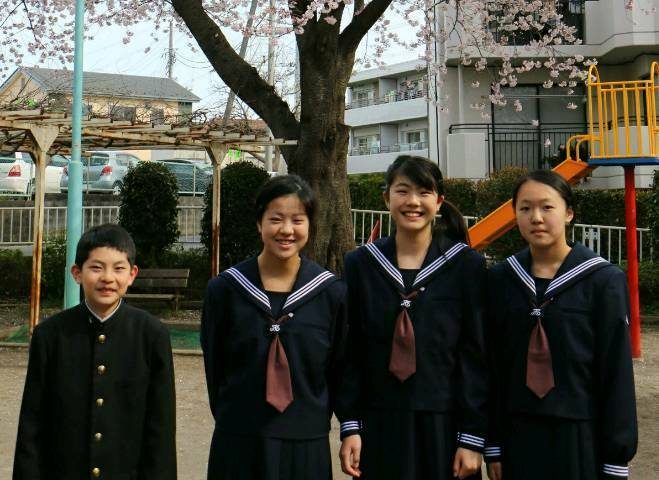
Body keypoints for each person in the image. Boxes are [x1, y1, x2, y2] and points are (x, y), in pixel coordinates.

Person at [338, 154, 488, 480]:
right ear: (386, 198)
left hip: (446, 424)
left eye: (424, 192)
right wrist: (350, 426)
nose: (413, 202)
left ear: (439, 201)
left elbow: (476, 355)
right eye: (402, 191)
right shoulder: (361, 265)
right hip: (380, 422)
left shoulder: (466, 267)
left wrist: (473, 437)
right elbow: (350, 352)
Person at [485, 169, 637, 480]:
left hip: (580, 435)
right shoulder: (501, 279)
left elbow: (616, 371)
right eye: (525, 208)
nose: (536, 218)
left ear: (568, 213)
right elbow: (492, 367)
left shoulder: (602, 280)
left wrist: (616, 457)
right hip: (518, 434)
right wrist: (493, 443)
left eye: (547, 207)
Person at [201, 173, 348, 480]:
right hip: (239, 440)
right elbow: (216, 370)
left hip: (306, 443)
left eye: (297, 220)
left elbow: (339, 371)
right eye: (276, 219)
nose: (286, 230)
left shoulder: (331, 294)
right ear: (259, 223)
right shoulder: (225, 291)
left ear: (309, 225)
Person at [13, 223, 177, 480]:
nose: (108, 278)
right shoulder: (50, 335)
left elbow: (161, 430)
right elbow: (32, 424)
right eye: (96, 267)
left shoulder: (151, 335)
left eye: (119, 268)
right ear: (77, 273)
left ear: (132, 274)